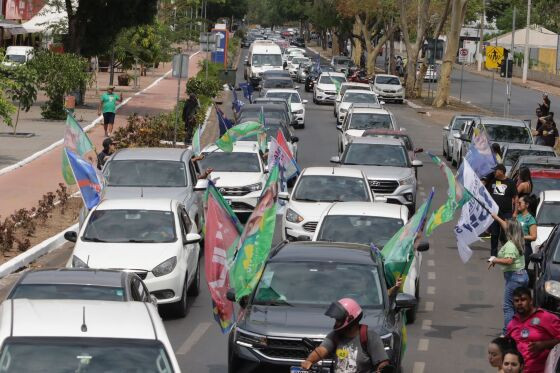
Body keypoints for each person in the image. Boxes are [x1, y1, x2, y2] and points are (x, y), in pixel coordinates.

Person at [301, 298, 390, 373]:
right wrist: (309, 361)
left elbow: (382, 363)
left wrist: (382, 369)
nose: (336, 323)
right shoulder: (335, 336)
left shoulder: (370, 336)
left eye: (338, 320)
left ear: (350, 319)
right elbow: (322, 350)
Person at [488, 216, 529, 333]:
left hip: (514, 278)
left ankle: (508, 333)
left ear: (510, 230)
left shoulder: (511, 244)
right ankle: (518, 330)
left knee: (508, 306)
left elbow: (509, 260)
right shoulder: (519, 241)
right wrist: (494, 215)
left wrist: (495, 260)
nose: (505, 228)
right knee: (519, 307)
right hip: (522, 276)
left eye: (507, 227)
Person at [506, 287, 560, 373]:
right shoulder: (512, 324)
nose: (519, 303)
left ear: (531, 301)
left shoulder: (545, 317)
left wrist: (543, 344)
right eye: (516, 301)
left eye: (523, 300)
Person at [489, 164, 519, 257]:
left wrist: (515, 212)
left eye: (496, 170)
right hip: (495, 213)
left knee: (506, 235)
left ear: (501, 171)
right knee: (494, 235)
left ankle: (507, 254)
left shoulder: (510, 183)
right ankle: (493, 255)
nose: (494, 172)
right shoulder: (493, 181)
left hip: (506, 213)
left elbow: (516, 197)